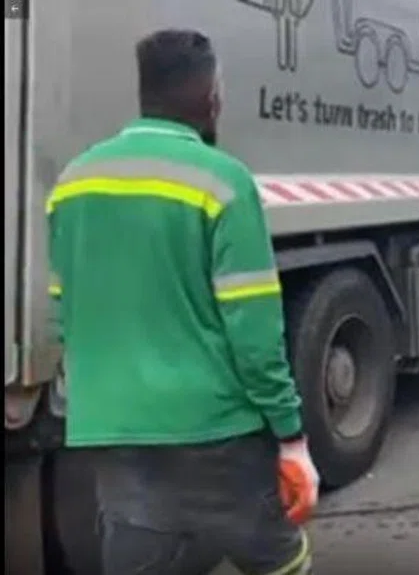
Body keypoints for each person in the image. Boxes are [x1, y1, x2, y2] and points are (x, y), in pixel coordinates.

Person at [46, 29, 319, 574]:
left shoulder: (73, 182)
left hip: (109, 428)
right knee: (282, 563)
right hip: (212, 432)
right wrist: (291, 436)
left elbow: (64, 314)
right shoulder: (221, 181)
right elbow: (255, 335)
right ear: (211, 96)